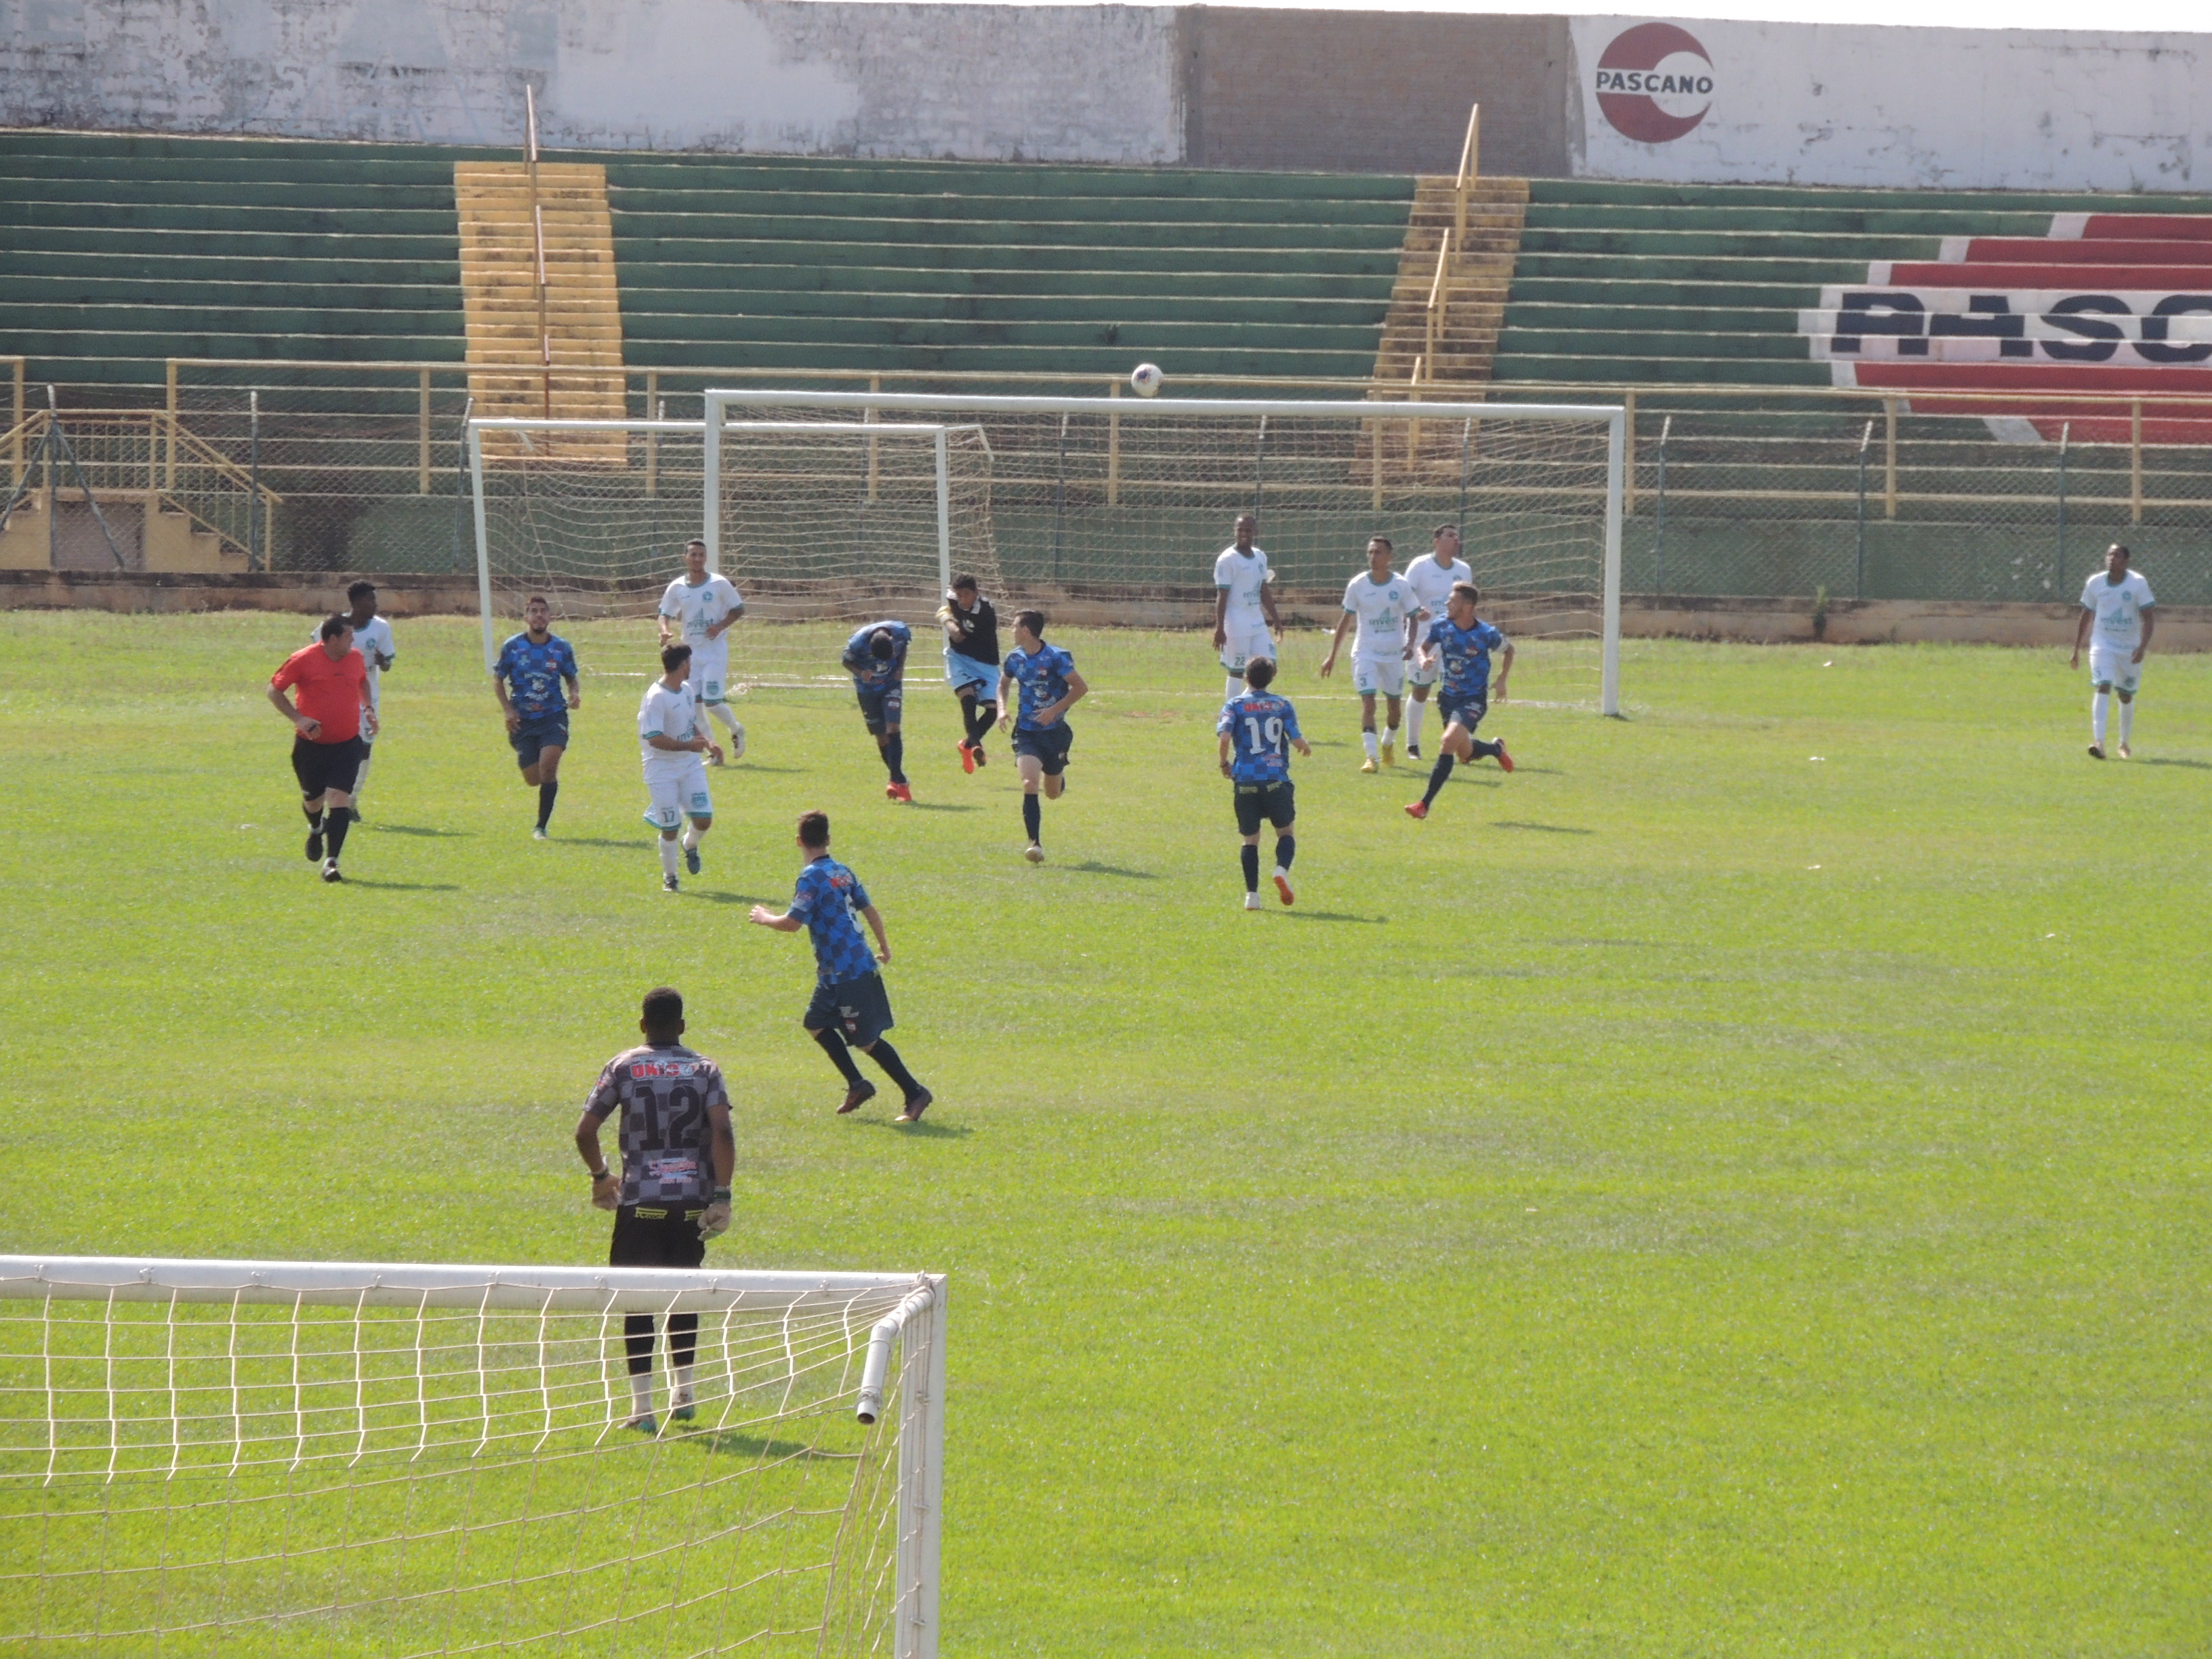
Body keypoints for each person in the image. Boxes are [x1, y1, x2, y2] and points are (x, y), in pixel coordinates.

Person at [573, 986, 735, 1435]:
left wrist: (601, 1177)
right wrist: (721, 1196)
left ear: (643, 1024)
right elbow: (723, 1132)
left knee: (637, 1302)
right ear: (682, 1026)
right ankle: (684, 1392)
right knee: (685, 1292)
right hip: (689, 1204)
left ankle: (642, 1408)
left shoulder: (623, 1066)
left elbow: (585, 1131)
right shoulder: (705, 1069)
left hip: (640, 1202)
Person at [749, 811, 933, 1123]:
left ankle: (915, 1093)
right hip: (837, 971)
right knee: (816, 1022)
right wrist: (884, 947)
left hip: (850, 971)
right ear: (828, 839)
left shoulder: (810, 877)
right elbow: (870, 911)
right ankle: (857, 1085)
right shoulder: (842, 872)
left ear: (798, 841)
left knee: (866, 1040)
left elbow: (793, 924)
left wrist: (765, 918)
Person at [268, 615, 377, 882]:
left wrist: (369, 708)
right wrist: (299, 719)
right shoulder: (303, 659)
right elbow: (273, 690)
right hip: (311, 746)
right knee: (313, 801)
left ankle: (332, 863)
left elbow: (362, 680)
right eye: (348, 636)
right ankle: (316, 828)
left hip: (347, 744)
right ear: (332, 639)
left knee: (339, 799)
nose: (353, 640)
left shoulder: (354, 658)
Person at [1405, 583, 1515, 821]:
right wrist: (1424, 660)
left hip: (1473, 699)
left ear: (1467, 607)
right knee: (1464, 753)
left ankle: (1423, 804)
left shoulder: (1486, 634)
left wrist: (1502, 680)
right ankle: (1496, 749)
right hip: (1447, 698)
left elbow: (1510, 650)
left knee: (1446, 742)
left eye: (1452, 601)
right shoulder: (1442, 626)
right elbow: (1422, 648)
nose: (1447, 604)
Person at [1218, 656, 1311, 911]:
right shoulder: (1282, 705)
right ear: (1272, 678)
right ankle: (1281, 869)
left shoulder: (1234, 705)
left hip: (1245, 780)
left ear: (1246, 679)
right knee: (1285, 832)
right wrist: (1305, 747)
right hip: (1275, 779)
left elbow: (1225, 736)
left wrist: (1224, 764)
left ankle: (1252, 897)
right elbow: (1297, 740)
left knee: (1250, 840)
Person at [1319, 535, 1418, 772]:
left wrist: (1410, 643)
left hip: (1393, 654)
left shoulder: (1401, 585)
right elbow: (1346, 621)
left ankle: (1387, 744)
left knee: (1394, 709)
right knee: (1369, 703)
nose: (1373, 557)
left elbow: (1414, 615)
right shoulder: (1358, 585)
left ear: (1390, 557)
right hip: (1365, 652)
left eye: (1379, 553)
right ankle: (1371, 757)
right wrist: (1332, 655)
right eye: (1370, 552)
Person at [998, 609, 1088, 864]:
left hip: (1055, 734)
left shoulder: (1056, 658)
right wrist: (1002, 710)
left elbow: (1080, 687)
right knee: (1029, 783)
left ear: (1026, 630)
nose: (1012, 631)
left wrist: (1053, 711)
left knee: (1052, 793)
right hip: (1027, 733)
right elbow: (1003, 684)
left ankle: (1059, 777)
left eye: (1015, 626)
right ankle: (1034, 843)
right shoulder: (1014, 658)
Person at [493, 596, 582, 839]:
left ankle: (541, 826)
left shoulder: (561, 648)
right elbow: (498, 678)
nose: (539, 615)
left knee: (548, 766)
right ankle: (530, 762)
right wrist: (508, 710)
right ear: (526, 617)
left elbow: (571, 677)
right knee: (534, 779)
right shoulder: (512, 647)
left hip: (553, 716)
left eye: (543, 611)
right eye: (534, 611)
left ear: (550, 617)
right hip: (523, 719)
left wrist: (574, 694)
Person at [639, 642, 723, 893]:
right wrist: (687, 746)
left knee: (704, 819)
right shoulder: (656, 698)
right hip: (661, 770)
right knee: (670, 827)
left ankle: (690, 844)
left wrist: (708, 743)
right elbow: (653, 738)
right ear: (684, 664)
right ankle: (671, 877)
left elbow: (690, 722)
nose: (692, 667)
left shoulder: (686, 690)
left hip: (689, 766)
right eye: (690, 662)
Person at [657, 539, 746, 764]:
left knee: (712, 701)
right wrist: (665, 631)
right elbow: (664, 613)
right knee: (694, 705)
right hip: (691, 655)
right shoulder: (677, 587)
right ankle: (713, 752)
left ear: (706, 558)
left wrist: (720, 626)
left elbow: (738, 609)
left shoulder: (719, 584)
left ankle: (736, 729)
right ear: (685, 558)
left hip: (715, 652)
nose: (697, 559)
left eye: (701, 555)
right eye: (693, 555)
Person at [310, 580, 394, 813]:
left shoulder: (381, 628)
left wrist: (382, 662)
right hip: (336, 690)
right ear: (356, 602)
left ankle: (351, 799)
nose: (375, 604)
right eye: (371, 599)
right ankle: (330, 793)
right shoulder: (336, 625)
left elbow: (388, 663)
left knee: (364, 746)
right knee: (333, 743)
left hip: (367, 691)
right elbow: (316, 650)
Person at [2070, 542, 2156, 760]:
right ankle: (2099, 743)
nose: (2111, 558)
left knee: (2125, 695)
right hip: (2103, 644)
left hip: (2129, 648)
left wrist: (2142, 647)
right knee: (2103, 685)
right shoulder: (2095, 583)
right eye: (2109, 554)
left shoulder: (2137, 584)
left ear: (2126, 561)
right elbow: (2086, 614)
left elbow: (2149, 618)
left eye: (2117, 555)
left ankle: (2124, 743)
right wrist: (2077, 648)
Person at [1401, 525, 1475, 758]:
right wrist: (1416, 609)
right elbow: (1406, 594)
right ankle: (1412, 745)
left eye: (1457, 536)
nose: (1455, 539)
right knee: (1421, 690)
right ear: (1436, 541)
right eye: (1449, 535)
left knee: (1456, 691)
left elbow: (1468, 605)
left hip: (1454, 641)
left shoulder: (1463, 570)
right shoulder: (1420, 566)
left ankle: (1460, 743)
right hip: (1424, 638)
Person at [840, 619, 915, 802]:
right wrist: (861, 673)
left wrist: (899, 668)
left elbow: (904, 647)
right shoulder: (857, 642)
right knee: (881, 735)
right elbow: (846, 661)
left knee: (893, 727)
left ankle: (894, 780)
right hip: (867, 690)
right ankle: (900, 780)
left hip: (891, 686)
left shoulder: (900, 631)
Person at [1212, 513, 1282, 702]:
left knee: (1269, 667)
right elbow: (1222, 596)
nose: (1244, 534)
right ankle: (1231, 716)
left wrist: (1276, 619)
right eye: (1240, 530)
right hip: (1236, 624)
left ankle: (1241, 706)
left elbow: (1263, 590)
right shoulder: (1227, 559)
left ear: (1255, 532)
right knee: (1236, 671)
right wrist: (1220, 628)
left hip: (1256, 622)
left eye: (1248, 530)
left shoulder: (1260, 557)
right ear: (1235, 531)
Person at [939, 575, 1002, 773]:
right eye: (959, 595)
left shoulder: (985, 612)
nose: (962, 599)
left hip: (986, 662)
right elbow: (942, 611)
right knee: (968, 696)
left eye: (967, 595)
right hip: (959, 657)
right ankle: (975, 745)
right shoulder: (953, 598)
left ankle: (966, 745)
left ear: (976, 593)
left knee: (992, 711)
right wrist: (949, 622)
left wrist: (953, 628)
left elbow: (961, 635)